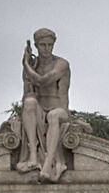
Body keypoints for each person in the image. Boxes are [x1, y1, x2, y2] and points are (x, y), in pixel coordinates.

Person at [15, 28, 74, 181]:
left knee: (53, 116)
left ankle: (48, 164)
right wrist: (29, 66)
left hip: (59, 109)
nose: (47, 48)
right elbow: (27, 94)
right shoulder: (33, 65)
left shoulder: (61, 64)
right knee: (29, 103)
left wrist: (25, 65)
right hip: (40, 111)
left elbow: (42, 80)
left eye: (50, 45)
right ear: (36, 45)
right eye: (43, 45)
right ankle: (33, 156)